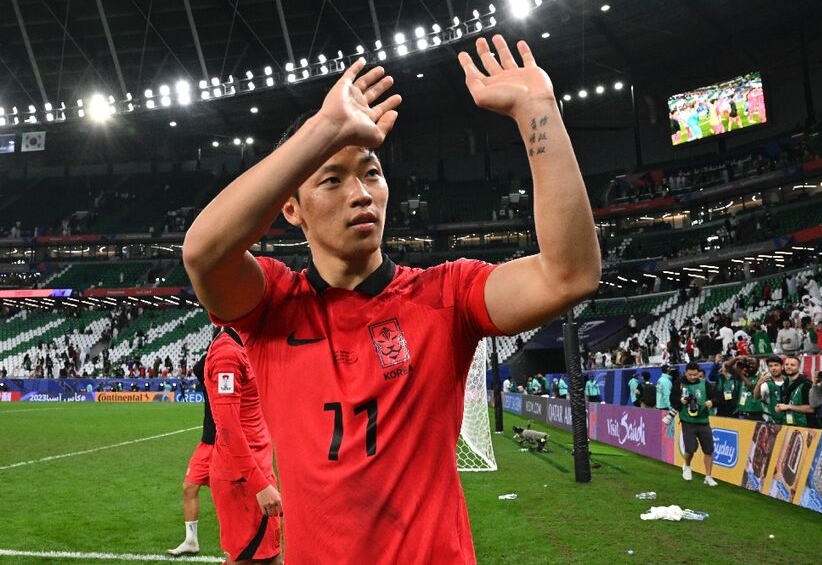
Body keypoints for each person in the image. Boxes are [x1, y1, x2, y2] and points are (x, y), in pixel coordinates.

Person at [182, 35, 600, 563]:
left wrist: (538, 109)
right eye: (332, 180)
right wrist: (323, 130)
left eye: (372, 173)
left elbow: (570, 275)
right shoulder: (272, 305)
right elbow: (203, 254)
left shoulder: (446, 295)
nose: (361, 193)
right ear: (292, 209)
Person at [203, 328, 282, 564]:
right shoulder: (227, 354)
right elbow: (227, 427)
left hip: (256, 473)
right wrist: (260, 485)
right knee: (252, 559)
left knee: (269, 558)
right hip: (243, 480)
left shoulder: (247, 343)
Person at [168, 353, 213, 557]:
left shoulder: (243, 370)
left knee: (242, 495)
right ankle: (191, 540)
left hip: (232, 444)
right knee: (189, 487)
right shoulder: (211, 371)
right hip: (208, 443)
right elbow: (199, 367)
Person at [670, 362, 720, 486]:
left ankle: (708, 476)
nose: (693, 377)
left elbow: (716, 398)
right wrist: (680, 400)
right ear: (686, 373)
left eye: (695, 375)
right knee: (690, 448)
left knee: (708, 450)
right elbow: (672, 398)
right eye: (690, 375)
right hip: (688, 421)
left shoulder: (705, 384)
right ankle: (687, 466)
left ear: (699, 373)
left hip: (703, 421)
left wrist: (711, 402)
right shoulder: (679, 383)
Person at [776, 355, 816, 427]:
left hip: (805, 426)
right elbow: (783, 404)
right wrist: (779, 407)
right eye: (787, 364)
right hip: (788, 425)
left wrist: (789, 407)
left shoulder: (806, 384)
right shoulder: (784, 384)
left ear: (799, 367)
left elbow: (811, 409)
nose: (789, 367)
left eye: (792, 365)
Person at [753, 356, 787, 423]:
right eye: (770, 366)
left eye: (776, 365)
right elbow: (756, 397)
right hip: (771, 421)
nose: (773, 368)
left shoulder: (788, 380)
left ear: (782, 367)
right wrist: (758, 384)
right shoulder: (766, 383)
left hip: (788, 420)